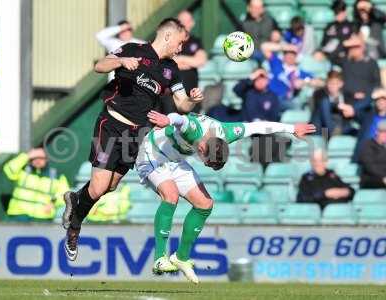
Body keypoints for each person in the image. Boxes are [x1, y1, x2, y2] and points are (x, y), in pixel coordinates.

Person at [62, 18, 204, 262]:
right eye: (180, 43)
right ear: (168, 36)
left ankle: (76, 199)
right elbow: (100, 66)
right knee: (97, 187)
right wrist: (120, 61)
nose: (181, 48)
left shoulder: (171, 69)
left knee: (111, 186)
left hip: (136, 134)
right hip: (112, 124)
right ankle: (74, 227)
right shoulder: (133, 50)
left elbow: (181, 104)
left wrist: (193, 99)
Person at [136, 110, 315, 283]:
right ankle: (160, 258)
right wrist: (168, 120)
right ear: (202, 147)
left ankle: (181, 257)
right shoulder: (193, 129)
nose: (200, 157)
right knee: (171, 195)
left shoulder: (227, 133)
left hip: (175, 161)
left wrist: (292, 129)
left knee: (205, 204)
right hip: (152, 152)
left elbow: (257, 127)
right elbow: (180, 119)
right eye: (202, 157)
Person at [3, 148, 69, 221]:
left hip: (42, 217)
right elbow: (9, 169)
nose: (37, 160)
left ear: (46, 159)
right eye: (34, 158)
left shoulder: (57, 175)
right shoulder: (23, 170)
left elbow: (65, 194)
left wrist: (53, 202)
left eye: (41, 158)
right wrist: (26, 156)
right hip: (18, 214)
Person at [261, 42, 322, 108]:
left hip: (288, 102)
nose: (290, 56)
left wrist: (305, 82)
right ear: (283, 56)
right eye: (287, 54)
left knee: (297, 105)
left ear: (297, 57)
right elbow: (264, 47)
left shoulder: (300, 73)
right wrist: (286, 47)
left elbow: (321, 83)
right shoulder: (277, 63)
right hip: (270, 97)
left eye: (293, 54)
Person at [175, 10, 207, 113]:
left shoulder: (196, 41)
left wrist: (180, 59)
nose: (184, 24)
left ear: (192, 23)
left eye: (187, 21)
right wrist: (190, 61)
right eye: (182, 21)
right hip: (172, 93)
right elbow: (168, 62)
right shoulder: (172, 41)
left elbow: (201, 61)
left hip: (191, 92)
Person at [311, 70, 358, 137]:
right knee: (325, 102)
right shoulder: (319, 94)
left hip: (341, 127)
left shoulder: (347, 96)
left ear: (341, 84)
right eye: (330, 83)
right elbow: (320, 109)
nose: (332, 86)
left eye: (335, 83)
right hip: (324, 128)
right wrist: (340, 105)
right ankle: (332, 133)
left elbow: (352, 112)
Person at [339, 34, 380, 101]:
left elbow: (377, 82)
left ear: (363, 47)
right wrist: (344, 44)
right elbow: (332, 56)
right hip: (348, 97)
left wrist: (365, 93)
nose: (353, 49)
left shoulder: (371, 63)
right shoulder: (346, 62)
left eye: (357, 46)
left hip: (366, 98)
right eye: (351, 47)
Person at [354, 87, 386, 160]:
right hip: (368, 153)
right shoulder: (367, 116)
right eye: (378, 100)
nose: (381, 102)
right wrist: (372, 96)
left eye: (383, 99)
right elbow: (355, 108)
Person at [358, 120, 386, 188]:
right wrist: (383, 176)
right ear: (377, 132)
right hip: (371, 179)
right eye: (383, 132)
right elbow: (370, 166)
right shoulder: (367, 145)